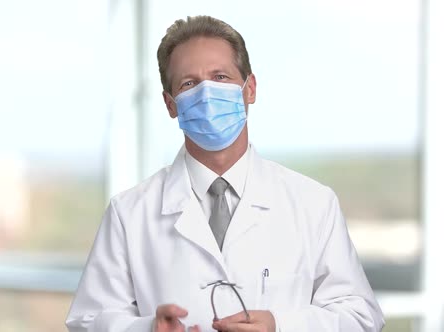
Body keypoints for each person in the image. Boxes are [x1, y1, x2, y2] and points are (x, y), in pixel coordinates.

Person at [66, 15, 384, 332]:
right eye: (189, 83)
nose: (206, 94)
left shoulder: (314, 203)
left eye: (220, 76)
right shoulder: (129, 213)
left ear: (250, 89)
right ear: (170, 104)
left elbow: (360, 316)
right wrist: (147, 329)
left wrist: (282, 327)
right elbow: (86, 322)